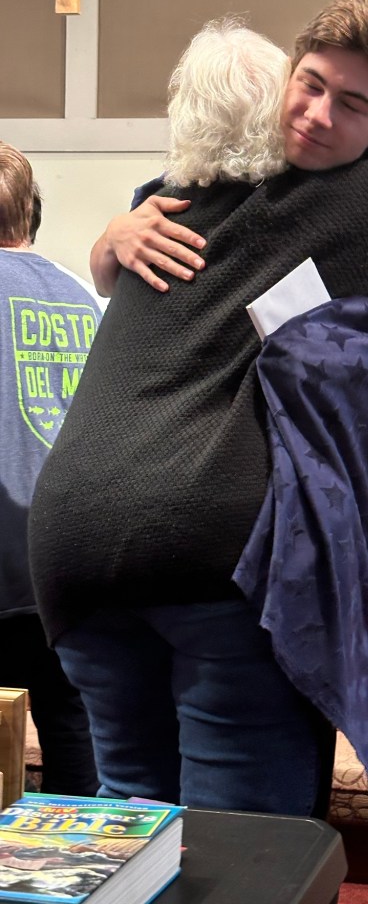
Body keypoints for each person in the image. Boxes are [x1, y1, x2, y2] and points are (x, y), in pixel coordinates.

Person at [29, 0, 368, 904]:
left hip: (72, 539)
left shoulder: (172, 198)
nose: (316, 115)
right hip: (202, 551)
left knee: (129, 838)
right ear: (283, 76)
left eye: (349, 104)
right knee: (242, 853)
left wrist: (110, 241)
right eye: (307, 84)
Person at [0, 141, 101, 796]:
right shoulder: (83, 297)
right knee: (74, 734)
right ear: (32, 213)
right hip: (73, 566)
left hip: (3, 567)